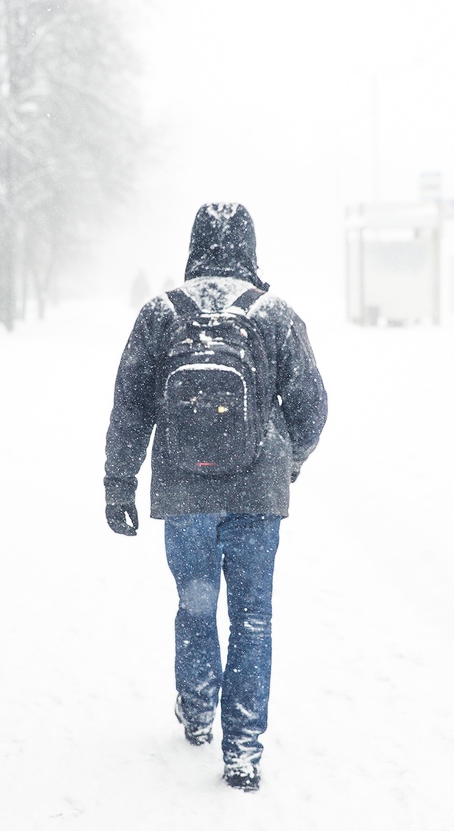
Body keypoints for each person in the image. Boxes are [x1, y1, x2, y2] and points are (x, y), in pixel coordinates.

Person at [103, 202, 328, 792]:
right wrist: (287, 461)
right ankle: (244, 751)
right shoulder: (275, 315)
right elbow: (312, 409)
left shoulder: (161, 315)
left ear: (194, 246)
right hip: (258, 493)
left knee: (197, 606)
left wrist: (118, 482)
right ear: (250, 248)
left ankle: (198, 710)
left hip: (184, 494)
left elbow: (130, 406)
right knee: (253, 619)